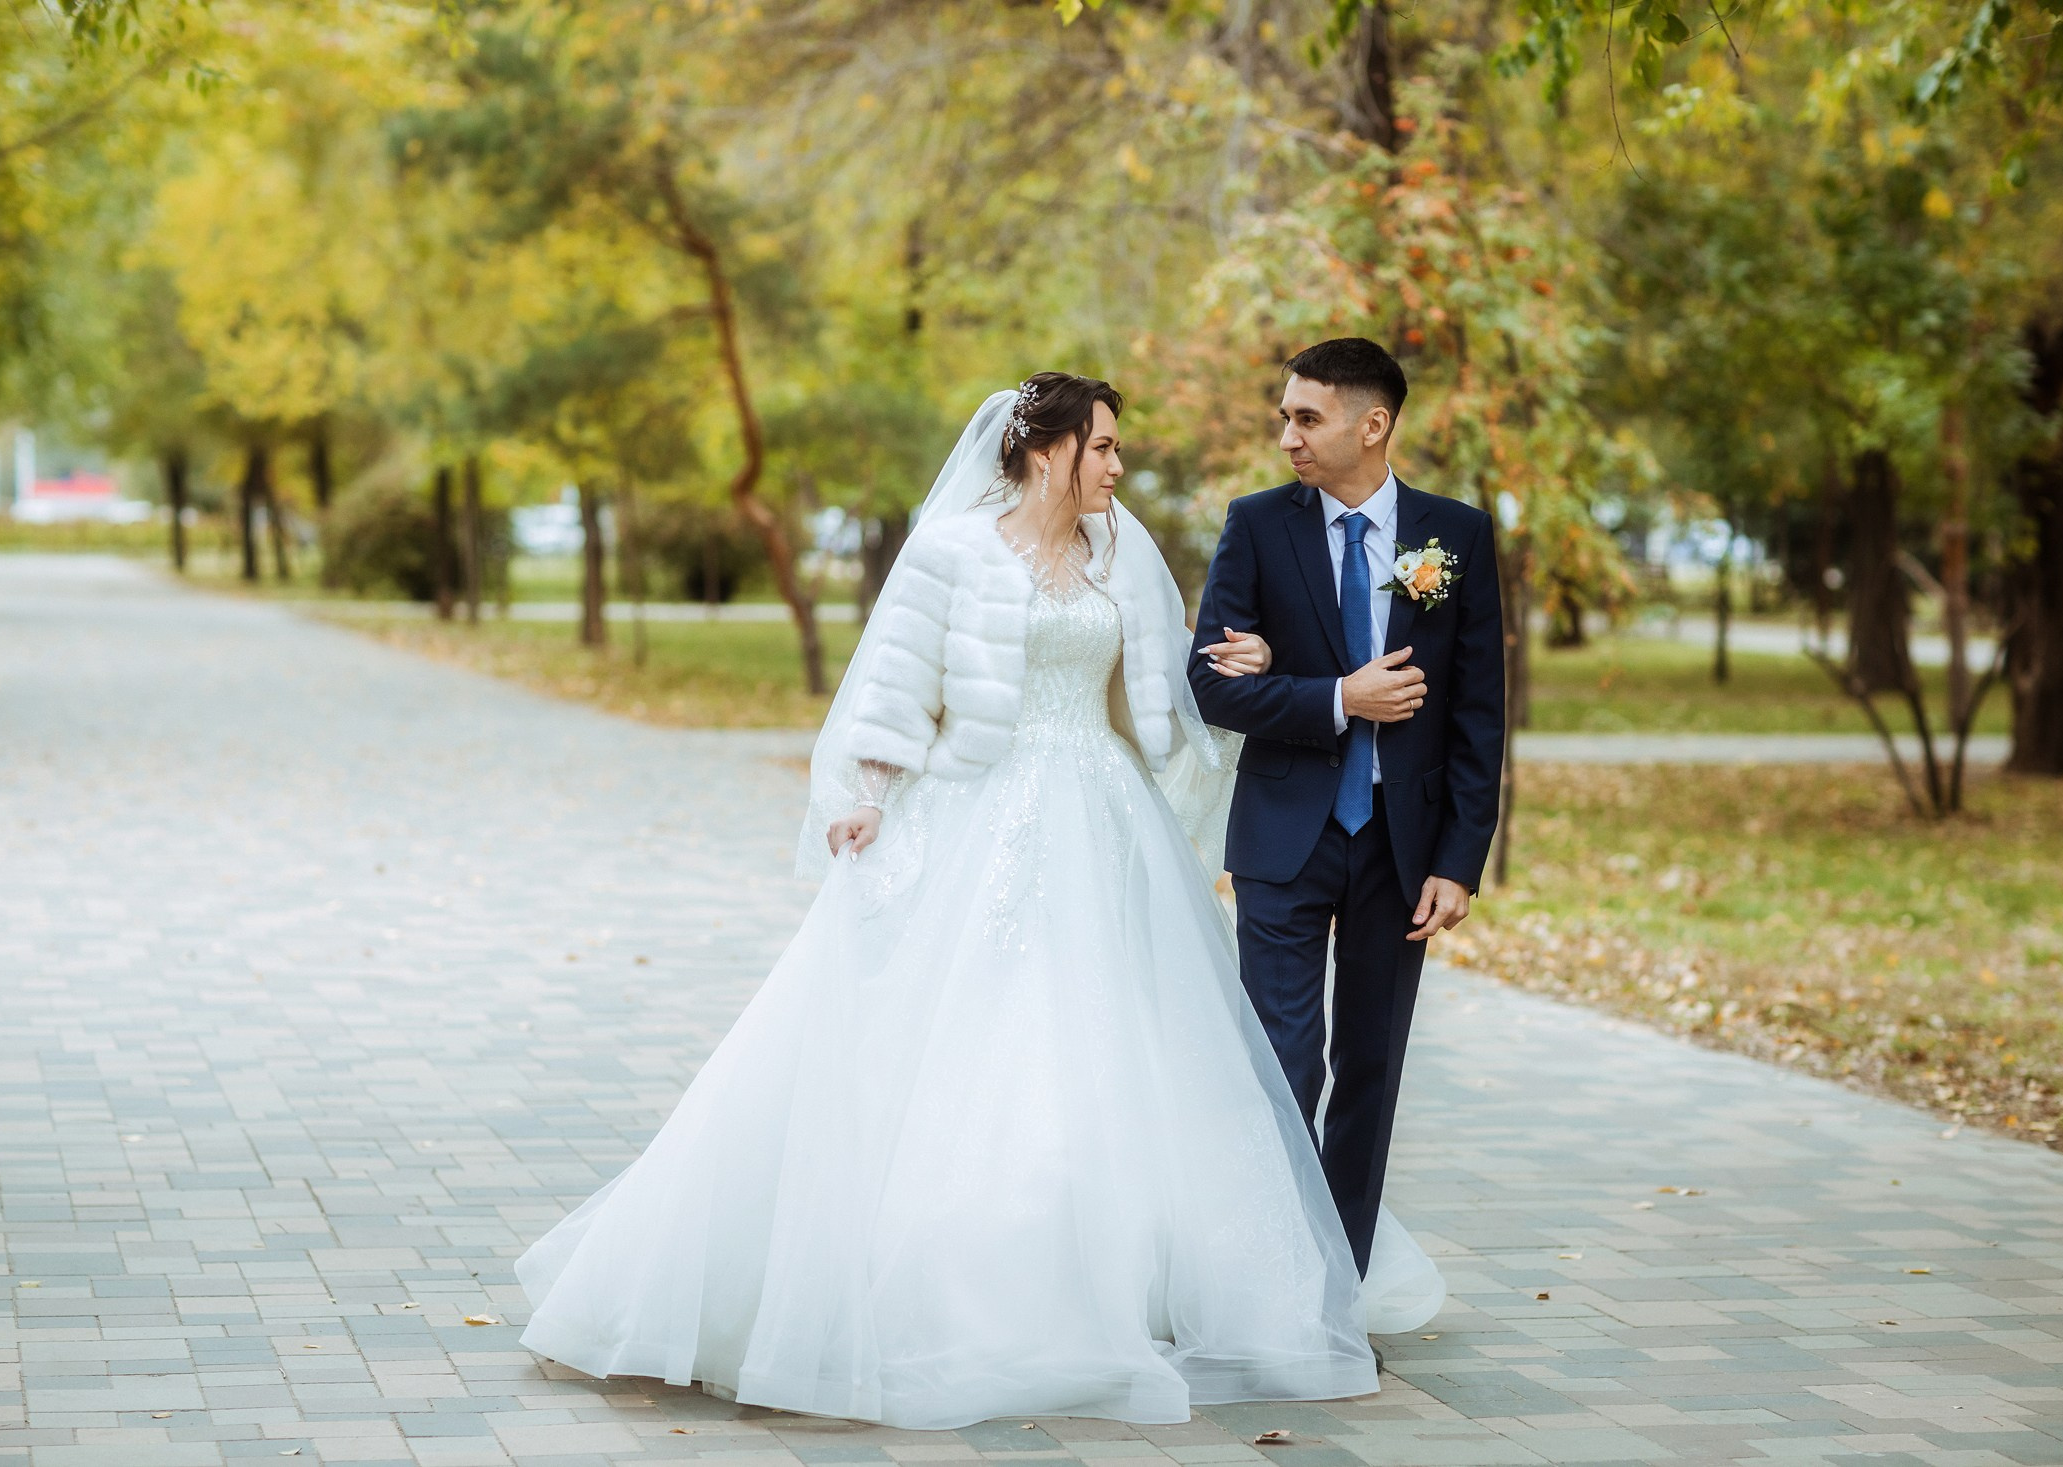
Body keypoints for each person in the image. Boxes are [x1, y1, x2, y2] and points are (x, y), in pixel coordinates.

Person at [514, 375, 1442, 1431]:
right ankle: (967, 1290)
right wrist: (862, 795)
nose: (1117, 468)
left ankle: (1127, 1278)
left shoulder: (1117, 553)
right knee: (977, 1041)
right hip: (976, 808)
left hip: (1101, 814)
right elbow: (889, 687)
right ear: (1046, 451)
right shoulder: (952, 552)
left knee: (1120, 1047)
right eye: (1102, 449)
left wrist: (1251, 667)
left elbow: (1167, 698)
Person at [1188, 338, 1506, 1283]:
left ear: (1373, 425)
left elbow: (1476, 713)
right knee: (1283, 1066)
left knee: (1369, 1074)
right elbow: (1213, 687)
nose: (1286, 434)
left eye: (1305, 416)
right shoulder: (1255, 526)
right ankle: (1269, 1282)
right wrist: (1337, 697)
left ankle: (1338, 1291)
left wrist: (1459, 857)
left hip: (1404, 855)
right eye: (1285, 415)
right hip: (1286, 839)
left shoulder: (1455, 537)